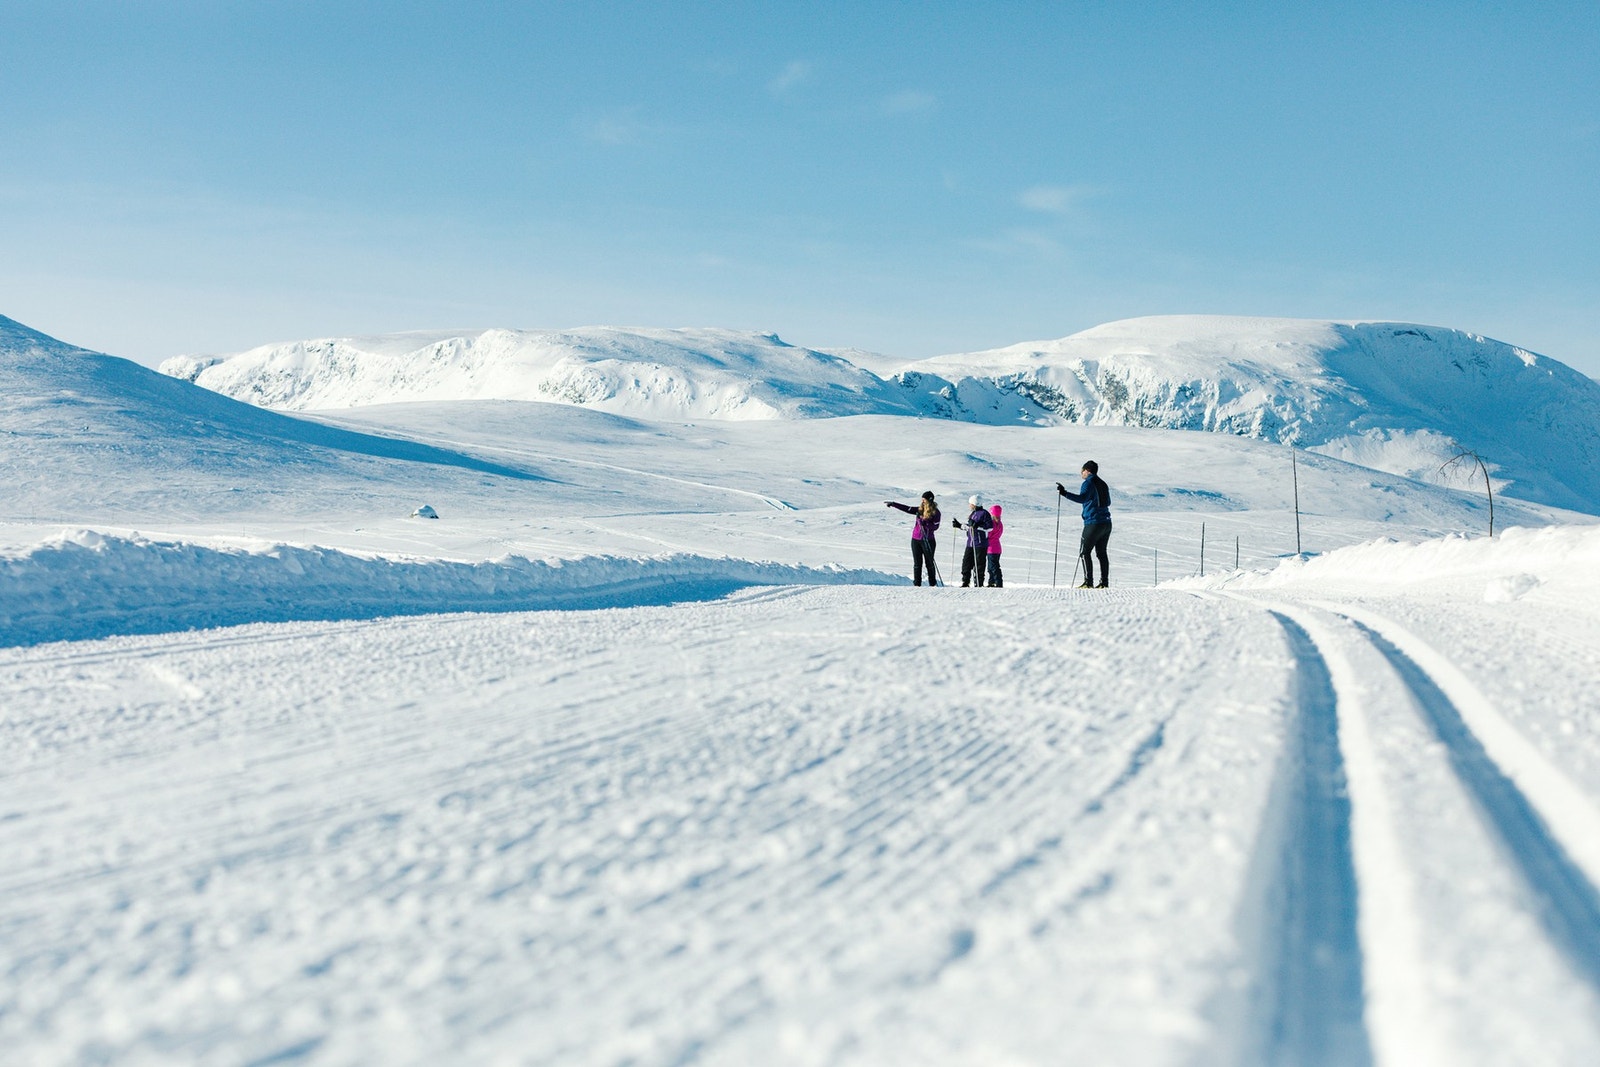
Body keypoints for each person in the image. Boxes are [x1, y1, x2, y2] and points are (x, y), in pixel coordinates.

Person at [1056, 460, 1112, 588]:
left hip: (1093, 522)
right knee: (1101, 552)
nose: (1081, 473)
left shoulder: (1088, 483)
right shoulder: (1103, 484)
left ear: (1087, 471)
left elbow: (1082, 498)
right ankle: (1104, 582)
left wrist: (1064, 493)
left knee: (1084, 551)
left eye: (1082, 470)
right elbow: (1108, 502)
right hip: (1106, 522)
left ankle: (1088, 582)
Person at [885, 491, 942, 586]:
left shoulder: (936, 512)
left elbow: (936, 527)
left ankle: (932, 584)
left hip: (928, 540)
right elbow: (908, 508)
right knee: (917, 564)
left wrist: (925, 522)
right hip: (916, 540)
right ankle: (917, 584)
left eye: (924, 500)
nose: (922, 501)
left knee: (929, 564)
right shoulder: (920, 509)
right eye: (922, 499)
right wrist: (894, 504)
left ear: (929, 500)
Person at [951, 495, 995, 587]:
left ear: (975, 504)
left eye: (970, 504)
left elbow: (990, 527)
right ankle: (965, 582)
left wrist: (977, 525)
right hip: (970, 543)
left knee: (979, 564)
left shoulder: (984, 513)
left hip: (980, 544)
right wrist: (959, 525)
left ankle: (978, 583)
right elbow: (970, 526)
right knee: (966, 563)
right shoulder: (973, 514)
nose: (969, 505)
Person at [985, 504, 1004, 588]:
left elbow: (987, 534)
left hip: (991, 548)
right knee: (992, 566)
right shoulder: (1000, 524)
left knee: (993, 567)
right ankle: (991, 582)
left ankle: (998, 582)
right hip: (997, 548)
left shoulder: (991, 524)